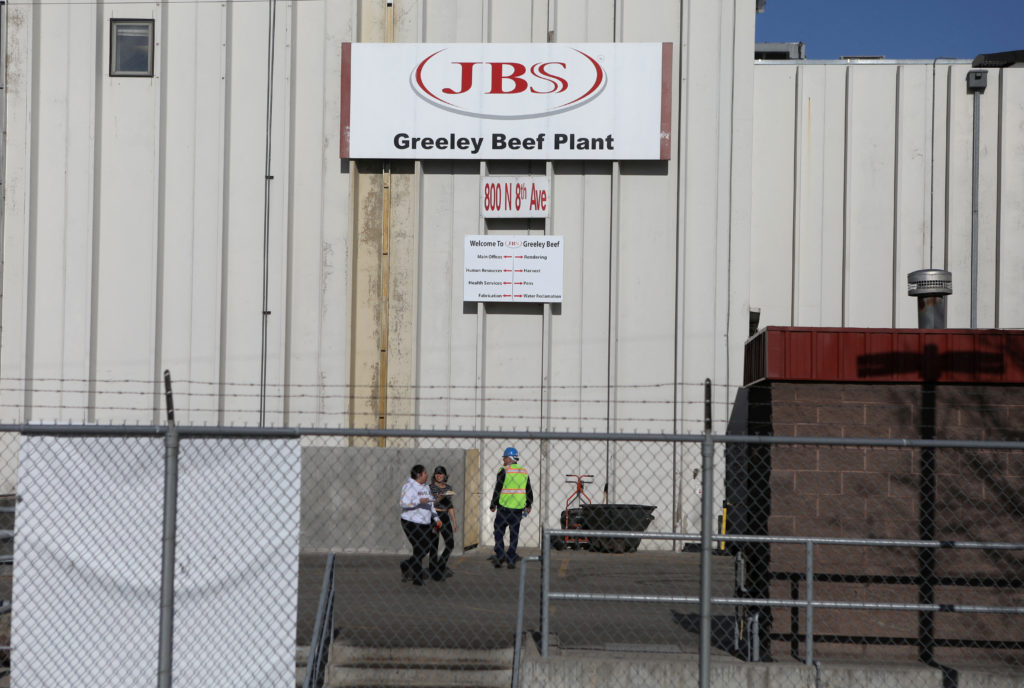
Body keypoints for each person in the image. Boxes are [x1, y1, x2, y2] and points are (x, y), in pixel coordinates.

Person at [489, 447, 533, 569]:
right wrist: (529, 504)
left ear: (509, 458)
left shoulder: (503, 470)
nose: (503, 460)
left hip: (503, 508)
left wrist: (493, 504)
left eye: (504, 458)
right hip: (517, 509)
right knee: (514, 534)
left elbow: (498, 488)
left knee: (498, 532)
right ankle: (511, 559)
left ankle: (500, 556)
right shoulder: (524, 472)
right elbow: (528, 489)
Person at [400, 464, 443, 586]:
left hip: (424, 523)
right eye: (425, 473)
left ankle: (406, 565)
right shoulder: (408, 487)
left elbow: (430, 504)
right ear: (419, 475)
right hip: (410, 522)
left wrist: (436, 518)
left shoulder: (426, 487)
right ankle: (417, 579)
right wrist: (418, 501)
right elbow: (403, 503)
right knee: (419, 548)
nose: (427, 475)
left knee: (424, 548)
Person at [428, 465, 457, 580]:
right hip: (434, 517)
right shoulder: (430, 488)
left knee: (450, 544)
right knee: (434, 544)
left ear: (445, 476)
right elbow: (429, 504)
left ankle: (440, 566)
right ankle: (433, 571)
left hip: (444, 517)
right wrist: (439, 498)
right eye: (437, 474)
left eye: (441, 474)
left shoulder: (448, 488)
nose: (438, 476)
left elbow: (450, 505)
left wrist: (454, 521)